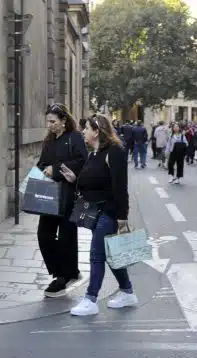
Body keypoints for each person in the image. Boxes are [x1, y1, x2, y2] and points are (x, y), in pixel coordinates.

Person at [58, 114, 138, 316]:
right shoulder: (93, 153)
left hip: (110, 212)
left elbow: (121, 188)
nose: (83, 132)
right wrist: (74, 179)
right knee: (112, 256)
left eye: (86, 128)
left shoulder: (115, 152)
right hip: (96, 211)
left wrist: (122, 218)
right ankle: (127, 292)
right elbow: (92, 183)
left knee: (96, 254)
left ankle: (90, 299)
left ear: (97, 131)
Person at [36, 103, 88, 297]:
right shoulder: (48, 141)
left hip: (69, 195)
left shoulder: (74, 138)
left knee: (67, 237)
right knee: (44, 235)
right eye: (48, 121)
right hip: (49, 196)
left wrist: (56, 170)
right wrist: (43, 169)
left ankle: (62, 277)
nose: (50, 125)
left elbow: (82, 161)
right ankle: (65, 271)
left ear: (64, 121)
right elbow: (41, 162)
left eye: (53, 121)